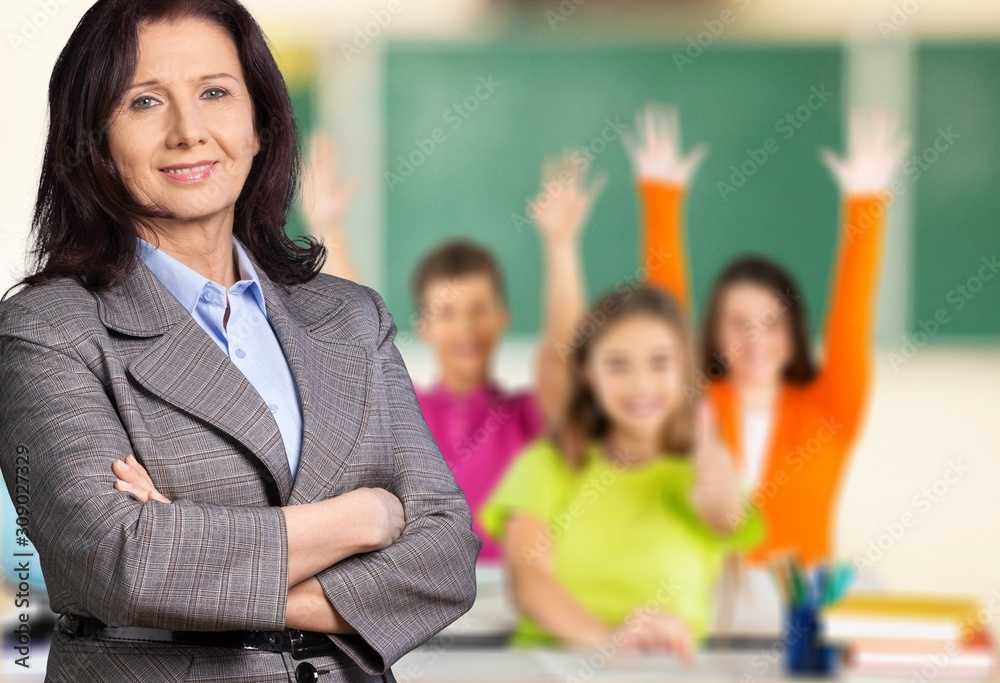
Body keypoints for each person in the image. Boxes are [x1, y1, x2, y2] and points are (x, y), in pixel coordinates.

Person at [0, 1, 479, 681]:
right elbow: (123, 563)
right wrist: (364, 516)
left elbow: (446, 556)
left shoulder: (350, 319)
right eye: (143, 102)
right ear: (93, 140)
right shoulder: (48, 330)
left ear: (261, 125)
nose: (188, 131)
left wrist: (206, 559)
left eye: (216, 93)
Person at [624, 105, 908, 566]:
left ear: (794, 334)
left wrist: (866, 203)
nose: (756, 339)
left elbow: (851, 320)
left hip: (800, 612)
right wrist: (661, 199)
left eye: (771, 323)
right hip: (705, 611)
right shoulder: (696, 404)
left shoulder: (830, 409)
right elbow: (665, 322)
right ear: (712, 334)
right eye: (738, 323)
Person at [302, 145, 604, 564]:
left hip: (521, 601)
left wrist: (562, 245)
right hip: (427, 602)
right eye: (447, 313)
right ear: (424, 327)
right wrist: (327, 225)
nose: (465, 328)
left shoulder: (529, 415)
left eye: (479, 310)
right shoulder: (409, 413)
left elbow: (562, 361)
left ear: (502, 319)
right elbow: (359, 344)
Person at [479, 285, 764, 656]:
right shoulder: (546, 465)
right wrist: (609, 642)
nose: (640, 383)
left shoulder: (700, 474)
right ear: (586, 372)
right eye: (617, 364)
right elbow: (530, 584)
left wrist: (718, 491)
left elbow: (725, 516)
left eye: (660, 362)